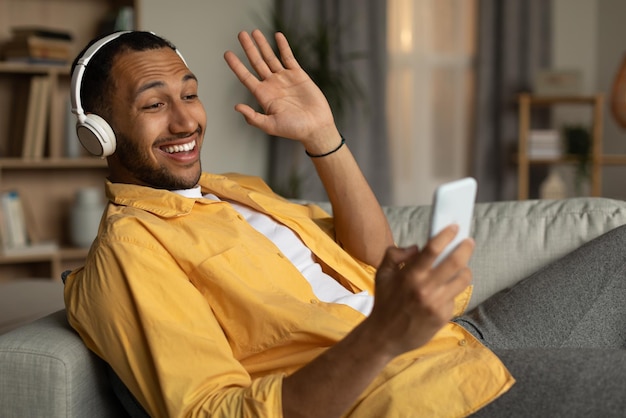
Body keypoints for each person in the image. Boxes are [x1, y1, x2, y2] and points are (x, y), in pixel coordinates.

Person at [63, 30, 626, 418]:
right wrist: (386, 335)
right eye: (154, 104)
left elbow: (373, 259)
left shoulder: (233, 190)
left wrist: (320, 134)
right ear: (99, 132)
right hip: (415, 393)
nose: (187, 118)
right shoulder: (131, 248)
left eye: (189, 94)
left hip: (454, 338)